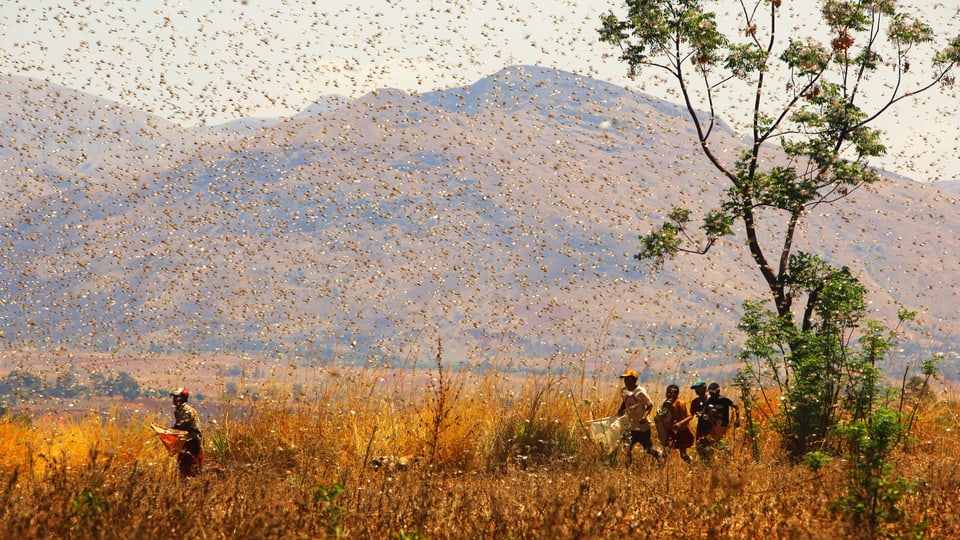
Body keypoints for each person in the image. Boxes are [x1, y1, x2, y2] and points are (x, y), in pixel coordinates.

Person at [616, 369, 662, 465]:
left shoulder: (640, 391)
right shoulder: (623, 391)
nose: (626, 381)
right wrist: (619, 413)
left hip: (642, 426)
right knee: (626, 448)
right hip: (630, 425)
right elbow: (625, 403)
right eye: (625, 379)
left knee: (647, 449)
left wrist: (644, 416)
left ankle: (659, 456)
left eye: (628, 379)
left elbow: (650, 405)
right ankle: (627, 467)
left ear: (634, 380)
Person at [654, 384, 694, 463]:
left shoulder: (680, 403)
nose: (668, 394)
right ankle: (660, 468)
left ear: (676, 393)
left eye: (671, 393)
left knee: (683, 454)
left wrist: (680, 423)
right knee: (666, 451)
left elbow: (689, 416)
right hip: (672, 431)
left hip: (682, 431)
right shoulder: (665, 403)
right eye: (667, 392)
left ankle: (692, 466)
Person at [170, 387, 203, 478]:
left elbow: (184, 424)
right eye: (174, 397)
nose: (174, 399)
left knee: (191, 466)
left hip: (192, 440)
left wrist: (175, 428)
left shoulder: (187, 410)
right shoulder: (178, 411)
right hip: (184, 440)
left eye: (177, 397)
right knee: (183, 467)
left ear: (183, 398)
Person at [689, 380, 714, 461]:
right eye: (695, 389)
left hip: (712, 427)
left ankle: (711, 465)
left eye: (698, 388)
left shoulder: (712, 399)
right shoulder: (695, 402)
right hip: (701, 428)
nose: (696, 390)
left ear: (704, 388)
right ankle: (705, 465)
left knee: (711, 448)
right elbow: (690, 415)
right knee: (699, 447)